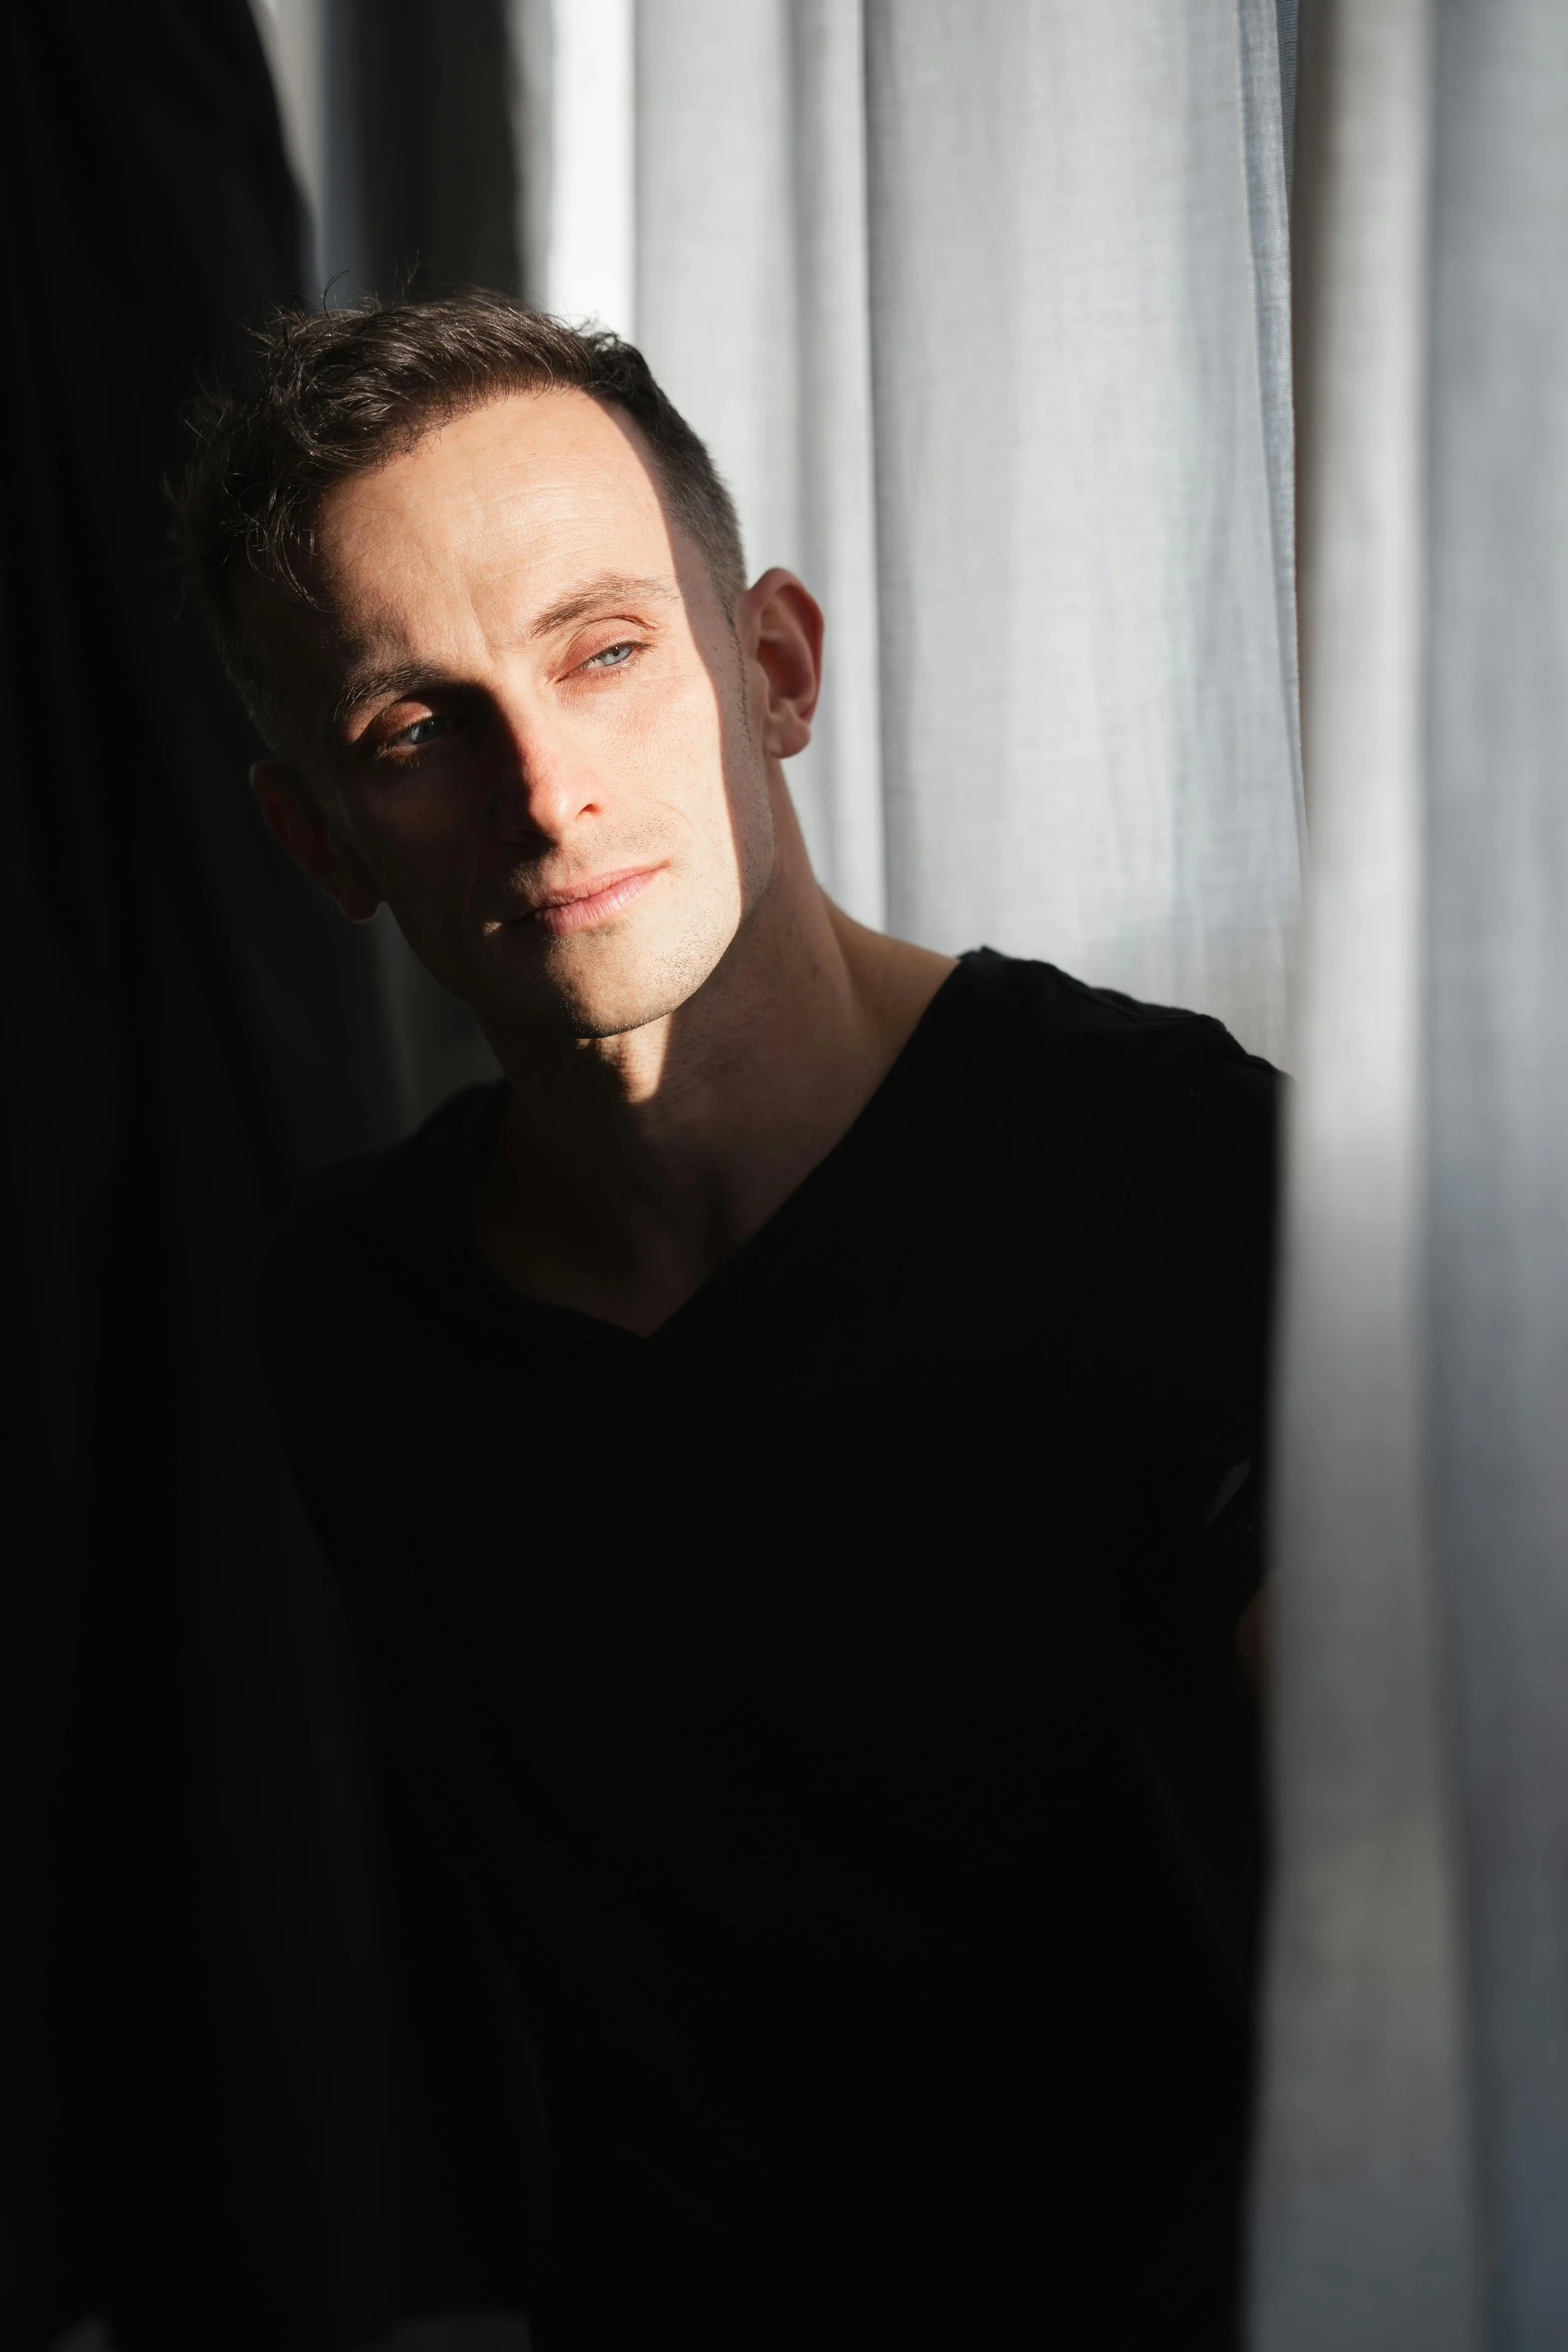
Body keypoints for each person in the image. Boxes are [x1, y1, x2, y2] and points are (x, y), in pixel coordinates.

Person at [174, 294, 1278, 2350]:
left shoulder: (1186, 1181)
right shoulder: (353, 1325)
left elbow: (1463, 1934)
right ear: (318, 840)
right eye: (417, 731)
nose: (546, 790)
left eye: (603, 654)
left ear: (770, 665)